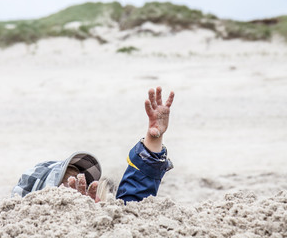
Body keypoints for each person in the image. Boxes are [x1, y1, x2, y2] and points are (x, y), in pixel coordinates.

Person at [12, 87, 175, 203]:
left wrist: (153, 140)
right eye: (69, 188)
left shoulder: (109, 219)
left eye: (84, 184)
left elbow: (136, 190)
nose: (81, 192)